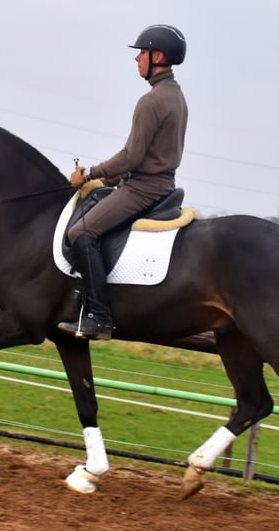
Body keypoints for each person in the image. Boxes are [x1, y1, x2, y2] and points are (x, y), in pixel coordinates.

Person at [57, 24, 189, 341]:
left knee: (81, 232)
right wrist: (107, 177)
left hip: (143, 187)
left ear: (158, 56)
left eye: (142, 52)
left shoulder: (151, 101)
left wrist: (89, 174)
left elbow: (132, 157)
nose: (137, 59)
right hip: (159, 184)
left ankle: (98, 317)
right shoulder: (176, 96)